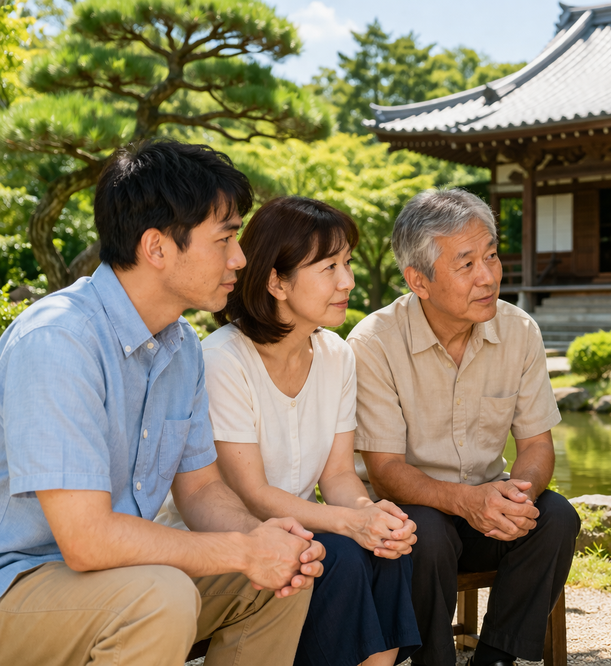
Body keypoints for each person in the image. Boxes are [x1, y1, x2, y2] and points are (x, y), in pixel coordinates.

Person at [0, 140, 326, 665]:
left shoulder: (182, 349)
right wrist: (242, 551)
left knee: (278, 576)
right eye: (224, 239)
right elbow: (86, 540)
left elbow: (200, 490)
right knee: (160, 596)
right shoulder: (59, 340)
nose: (239, 259)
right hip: (19, 585)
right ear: (157, 248)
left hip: (120, 577)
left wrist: (262, 539)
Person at [157, 195, 422, 666]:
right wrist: (348, 523)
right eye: (328, 267)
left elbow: (338, 476)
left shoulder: (337, 355)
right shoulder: (223, 359)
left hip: (303, 528)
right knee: (336, 555)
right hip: (227, 537)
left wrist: (372, 515)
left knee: (387, 549)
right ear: (276, 281)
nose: (347, 281)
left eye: (347, 263)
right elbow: (253, 494)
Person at [347, 188, 581, 666]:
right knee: (426, 530)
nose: (488, 277)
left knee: (556, 517)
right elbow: (386, 470)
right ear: (419, 280)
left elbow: (537, 445)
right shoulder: (373, 343)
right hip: (410, 518)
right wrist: (466, 502)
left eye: (491, 256)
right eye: (467, 264)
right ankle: (434, 660)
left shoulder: (519, 331)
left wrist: (520, 494)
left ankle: (495, 658)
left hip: (487, 509)